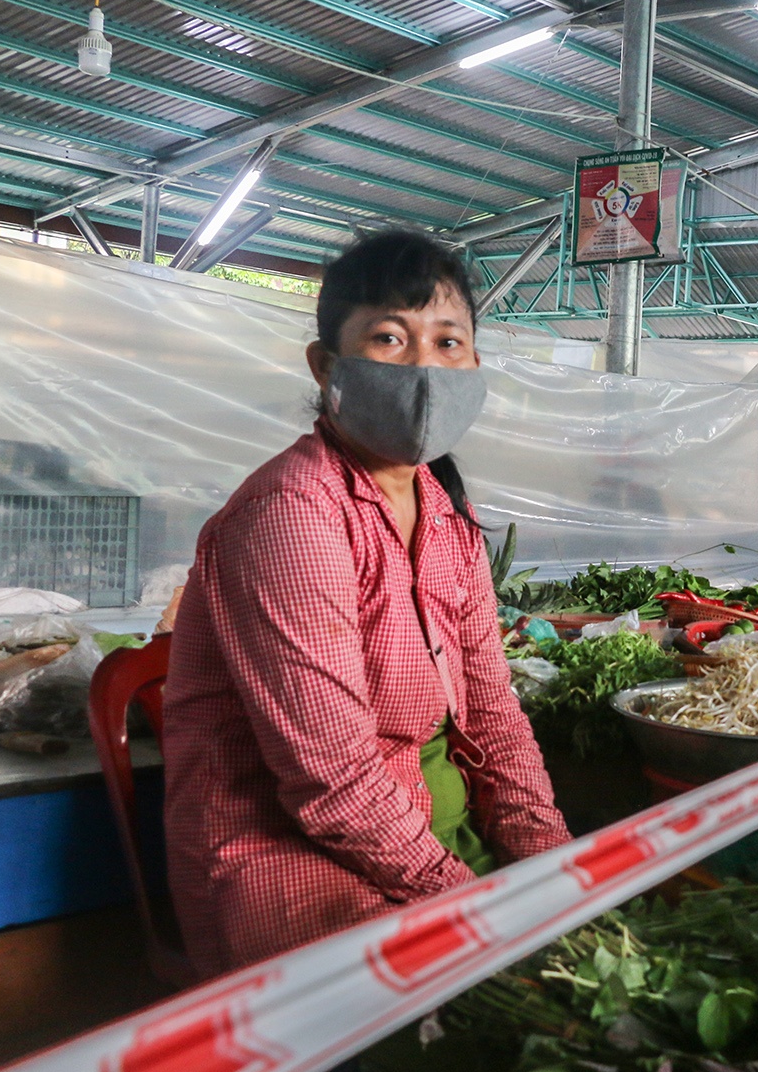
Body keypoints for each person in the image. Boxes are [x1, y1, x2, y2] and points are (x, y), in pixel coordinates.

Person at [162, 230, 571, 979]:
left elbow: (494, 716)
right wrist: (476, 912)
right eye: (389, 337)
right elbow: (335, 784)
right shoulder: (292, 515)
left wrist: (558, 879)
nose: (424, 367)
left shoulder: (444, 514)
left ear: (475, 364)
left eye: (449, 341)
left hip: (430, 839)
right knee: (533, 1030)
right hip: (300, 860)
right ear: (326, 368)